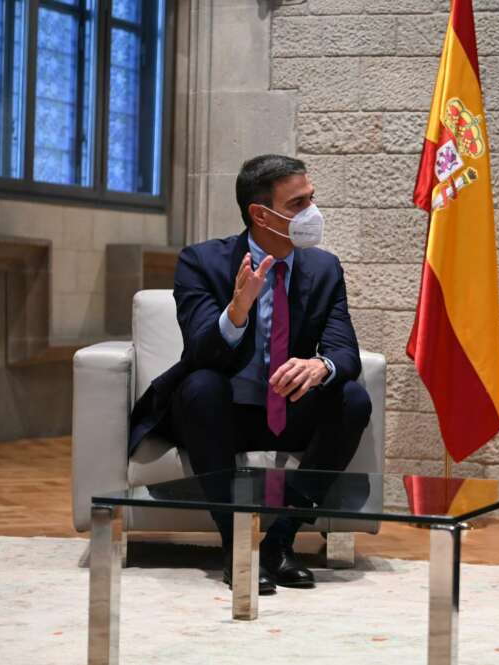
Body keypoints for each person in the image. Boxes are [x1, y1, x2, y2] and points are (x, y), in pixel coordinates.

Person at [128, 154, 371, 595]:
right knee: (200, 387)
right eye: (298, 204)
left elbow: (345, 351)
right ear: (261, 214)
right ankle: (236, 546)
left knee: (352, 396)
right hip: (223, 417)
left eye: (311, 199)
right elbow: (201, 353)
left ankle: (281, 541)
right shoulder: (202, 262)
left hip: (288, 410)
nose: (312, 213)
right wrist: (237, 310)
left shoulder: (323, 269)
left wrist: (321, 366)